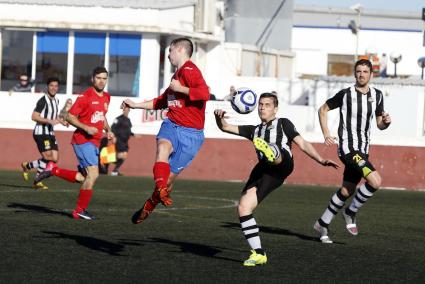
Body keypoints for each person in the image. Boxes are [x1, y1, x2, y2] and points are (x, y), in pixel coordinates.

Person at [214, 92, 339, 266]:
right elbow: (225, 127)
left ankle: (273, 151)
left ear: (275, 109)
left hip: (283, 166)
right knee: (243, 207)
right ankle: (258, 253)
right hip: (264, 170)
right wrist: (218, 117)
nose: (262, 108)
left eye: (267, 105)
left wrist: (321, 159)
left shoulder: (284, 123)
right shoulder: (254, 130)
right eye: (260, 105)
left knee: (276, 152)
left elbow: (302, 144)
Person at [123, 37, 209, 224]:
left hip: (192, 135)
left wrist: (182, 89)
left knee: (169, 180)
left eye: (169, 51)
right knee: (163, 147)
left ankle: (151, 203)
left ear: (179, 50)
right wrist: (136, 105)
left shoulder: (190, 71)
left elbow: (204, 94)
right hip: (172, 125)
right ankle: (160, 189)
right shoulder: (176, 76)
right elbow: (161, 102)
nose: (168, 55)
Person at [313, 59, 392, 243]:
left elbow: (380, 124)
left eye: (365, 71)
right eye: (358, 71)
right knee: (375, 181)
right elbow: (323, 110)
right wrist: (326, 134)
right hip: (348, 149)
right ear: (354, 74)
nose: (361, 74)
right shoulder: (345, 94)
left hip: (363, 150)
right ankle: (350, 212)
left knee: (347, 190)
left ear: (371, 74)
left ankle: (322, 224)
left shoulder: (377, 95)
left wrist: (386, 123)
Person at [35, 66, 114, 220]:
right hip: (82, 141)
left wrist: (108, 130)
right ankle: (79, 210)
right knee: (93, 174)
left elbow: (102, 116)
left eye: (104, 78)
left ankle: (54, 170)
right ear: (92, 79)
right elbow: (70, 117)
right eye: (98, 78)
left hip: (95, 142)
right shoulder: (85, 97)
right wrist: (86, 128)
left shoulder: (107, 97)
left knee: (83, 178)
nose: (101, 81)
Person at [21, 77, 66, 189]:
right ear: (47, 87)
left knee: (54, 158)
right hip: (41, 132)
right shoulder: (42, 100)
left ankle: (28, 165)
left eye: (56, 86)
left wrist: (62, 121)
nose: (53, 88)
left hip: (50, 132)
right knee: (48, 156)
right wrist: (49, 121)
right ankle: (37, 181)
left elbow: (55, 117)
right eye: (51, 85)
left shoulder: (57, 100)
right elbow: (34, 116)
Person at [110, 105, 134, 176]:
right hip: (119, 140)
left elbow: (128, 131)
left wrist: (133, 134)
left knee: (123, 156)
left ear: (129, 111)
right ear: (123, 110)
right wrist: (113, 137)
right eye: (125, 109)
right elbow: (112, 128)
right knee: (121, 155)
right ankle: (114, 170)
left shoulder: (128, 120)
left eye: (127, 110)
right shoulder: (118, 119)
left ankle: (115, 170)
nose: (126, 111)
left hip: (125, 142)